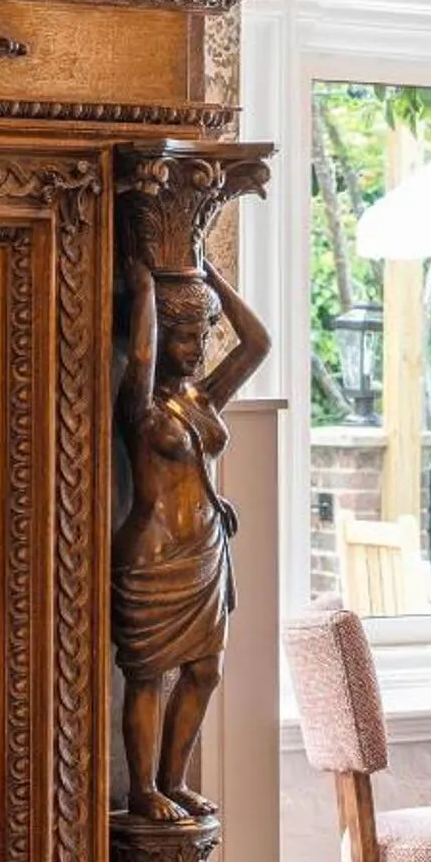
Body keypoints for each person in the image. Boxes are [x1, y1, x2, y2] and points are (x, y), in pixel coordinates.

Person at [113, 260, 267, 823]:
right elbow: (142, 357)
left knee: (205, 671)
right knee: (148, 675)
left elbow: (257, 344)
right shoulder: (143, 407)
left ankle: (174, 781)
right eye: (184, 336)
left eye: (201, 335)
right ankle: (142, 789)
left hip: (206, 553)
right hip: (154, 554)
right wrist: (148, 287)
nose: (196, 347)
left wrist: (212, 277)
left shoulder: (203, 400)